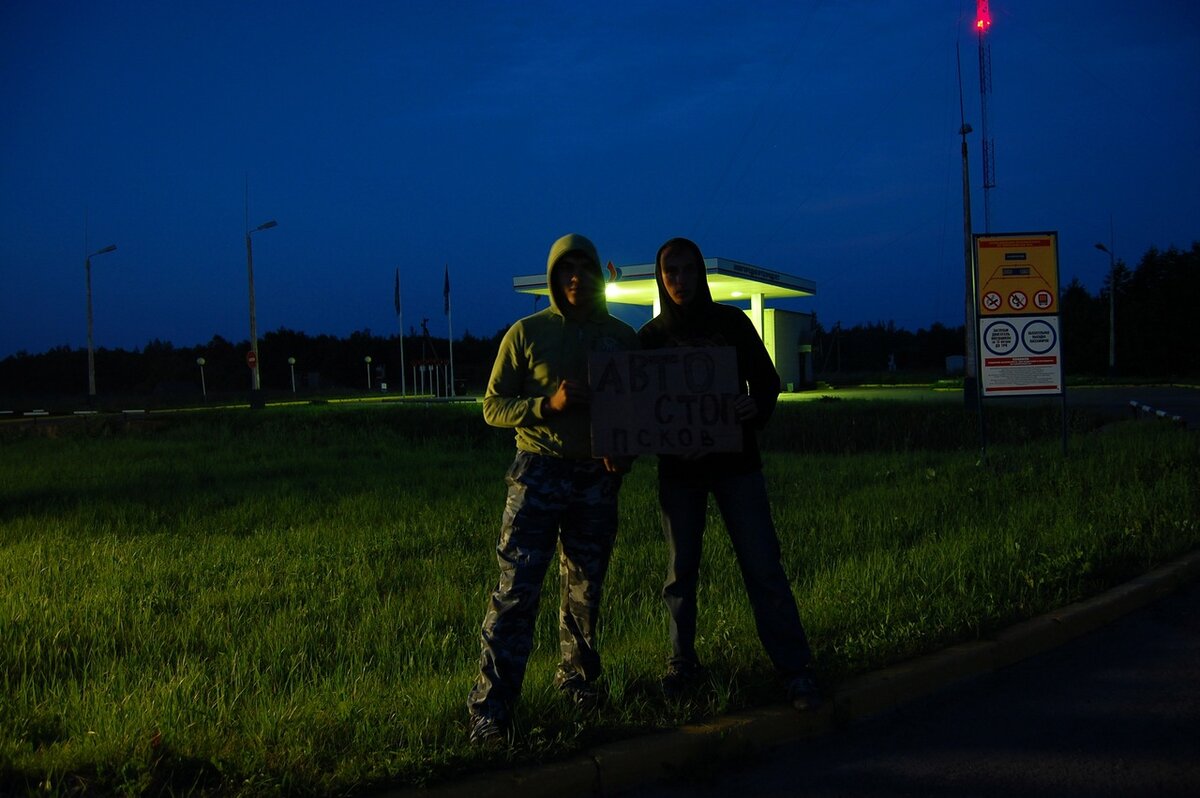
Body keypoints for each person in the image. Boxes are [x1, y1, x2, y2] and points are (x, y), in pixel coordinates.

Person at [467, 233, 639, 746]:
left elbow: (637, 408)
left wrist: (624, 448)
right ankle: (491, 710)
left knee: (586, 591)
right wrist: (548, 405)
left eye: (585, 268)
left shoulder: (620, 337)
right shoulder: (526, 333)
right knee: (517, 592)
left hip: (596, 479)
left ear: (598, 276)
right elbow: (493, 406)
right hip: (537, 473)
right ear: (553, 277)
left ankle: (579, 685)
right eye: (566, 269)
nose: (575, 278)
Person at [638, 236, 820, 711]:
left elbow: (766, 383)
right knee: (680, 573)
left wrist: (751, 407)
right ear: (661, 278)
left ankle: (795, 668)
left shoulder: (732, 324)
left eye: (685, 270)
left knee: (762, 565)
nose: (677, 280)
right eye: (669, 272)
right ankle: (682, 664)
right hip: (680, 473)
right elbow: (636, 408)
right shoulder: (651, 339)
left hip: (738, 466)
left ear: (700, 273)